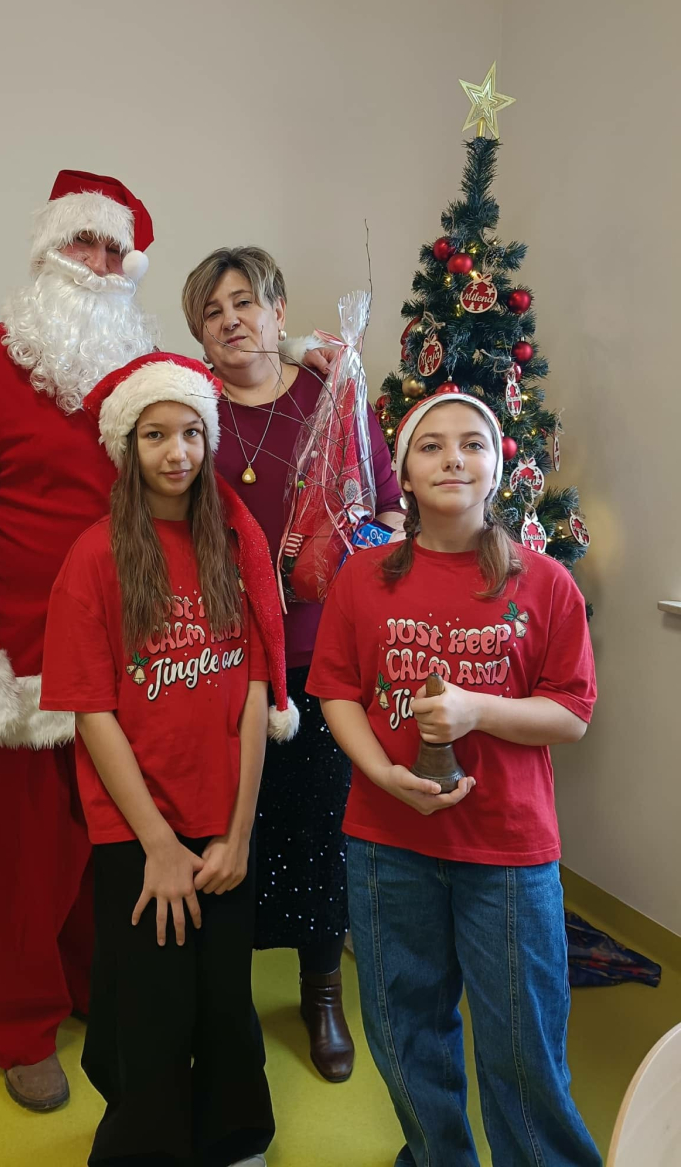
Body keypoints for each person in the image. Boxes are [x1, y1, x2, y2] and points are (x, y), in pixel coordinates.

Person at [0, 170, 157, 1110]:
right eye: (81, 243)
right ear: (48, 252)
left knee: (112, 841)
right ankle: (17, 1024)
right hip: (17, 662)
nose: (96, 263)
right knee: (17, 859)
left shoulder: (148, 375)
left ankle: (94, 986)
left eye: (113, 249)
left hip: (126, 655)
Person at [307, 392, 601, 1166]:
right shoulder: (363, 579)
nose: (453, 459)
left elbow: (571, 713)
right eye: (431, 445)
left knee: (523, 1045)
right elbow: (337, 691)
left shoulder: (544, 584)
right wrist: (383, 774)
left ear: (497, 466)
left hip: (507, 851)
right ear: (403, 472)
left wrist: (477, 711)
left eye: (473, 444)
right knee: (404, 1034)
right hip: (387, 845)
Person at [40, 352, 296, 1167]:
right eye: (155, 435)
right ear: (128, 445)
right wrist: (157, 843)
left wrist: (238, 834)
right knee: (151, 1008)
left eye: (191, 432)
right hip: (139, 833)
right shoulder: (94, 559)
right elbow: (92, 711)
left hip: (224, 827)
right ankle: (143, 1146)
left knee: (224, 1001)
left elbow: (255, 691)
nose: (176, 451)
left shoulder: (233, 547)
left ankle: (234, 1137)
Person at [181, 246, 403, 1083]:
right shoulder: (190, 408)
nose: (231, 320)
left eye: (244, 302)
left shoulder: (331, 393)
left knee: (318, 830)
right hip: (224, 659)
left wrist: (349, 566)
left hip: (319, 656)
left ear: (279, 312)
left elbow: (386, 508)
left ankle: (321, 992)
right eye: (212, 311)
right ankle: (224, 1002)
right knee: (226, 827)